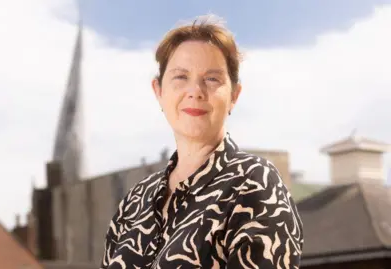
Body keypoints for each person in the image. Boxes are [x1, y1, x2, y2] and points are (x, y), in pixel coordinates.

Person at [100, 15, 303, 269]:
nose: (195, 90)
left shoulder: (255, 184)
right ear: (159, 91)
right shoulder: (134, 201)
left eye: (212, 78)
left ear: (234, 95)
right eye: (180, 77)